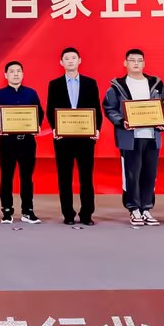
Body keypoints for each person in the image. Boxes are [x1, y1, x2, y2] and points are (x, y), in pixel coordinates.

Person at [104, 48, 164, 227]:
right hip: (130, 138)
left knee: (150, 174)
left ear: (144, 63)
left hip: (152, 136)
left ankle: (146, 208)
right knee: (131, 175)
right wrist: (122, 121)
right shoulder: (117, 86)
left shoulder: (156, 84)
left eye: (139, 60)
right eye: (132, 60)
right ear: (125, 63)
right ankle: (133, 209)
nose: (136, 63)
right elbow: (109, 108)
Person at [47, 46, 102, 225]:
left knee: (86, 177)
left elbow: (96, 109)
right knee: (65, 178)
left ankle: (87, 214)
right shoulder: (54, 84)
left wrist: (97, 129)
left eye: (73, 58)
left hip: (85, 138)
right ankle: (68, 214)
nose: (70, 61)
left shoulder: (90, 83)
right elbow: (50, 110)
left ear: (79, 60)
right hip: (63, 139)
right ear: (61, 62)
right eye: (67, 58)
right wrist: (55, 128)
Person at [0, 60, 43, 224]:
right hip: (7, 142)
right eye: (12, 71)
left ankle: (28, 210)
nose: (15, 74)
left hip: (27, 141)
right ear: (6, 75)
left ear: (23, 74)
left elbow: (39, 113)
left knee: (27, 177)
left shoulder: (31, 93)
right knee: (6, 176)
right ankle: (7, 211)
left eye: (18, 71)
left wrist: (36, 125)